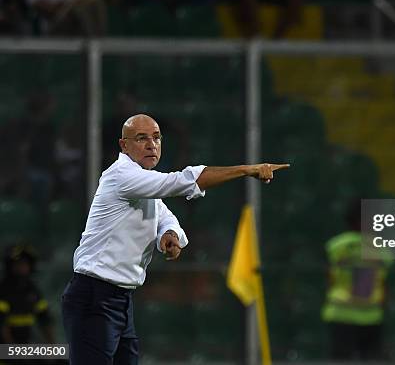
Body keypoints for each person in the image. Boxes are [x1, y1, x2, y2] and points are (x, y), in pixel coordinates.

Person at [61, 114, 289, 364]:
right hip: (95, 296)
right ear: (123, 146)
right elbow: (180, 181)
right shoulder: (122, 176)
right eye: (141, 138)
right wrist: (246, 170)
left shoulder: (143, 181)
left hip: (119, 299)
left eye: (156, 138)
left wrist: (168, 235)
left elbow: (166, 217)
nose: (151, 144)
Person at [321, 200, 393, 361]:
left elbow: (328, 278)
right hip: (371, 315)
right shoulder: (380, 247)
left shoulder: (335, 246)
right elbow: (384, 282)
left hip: (340, 313)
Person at [0, 244, 56, 345]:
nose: (23, 267)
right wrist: (13, 351)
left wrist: (52, 348)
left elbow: (45, 320)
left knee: (62, 356)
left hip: (24, 348)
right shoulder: (4, 290)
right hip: (5, 350)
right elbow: (1, 324)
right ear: (10, 266)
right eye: (18, 264)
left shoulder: (32, 290)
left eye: (26, 264)